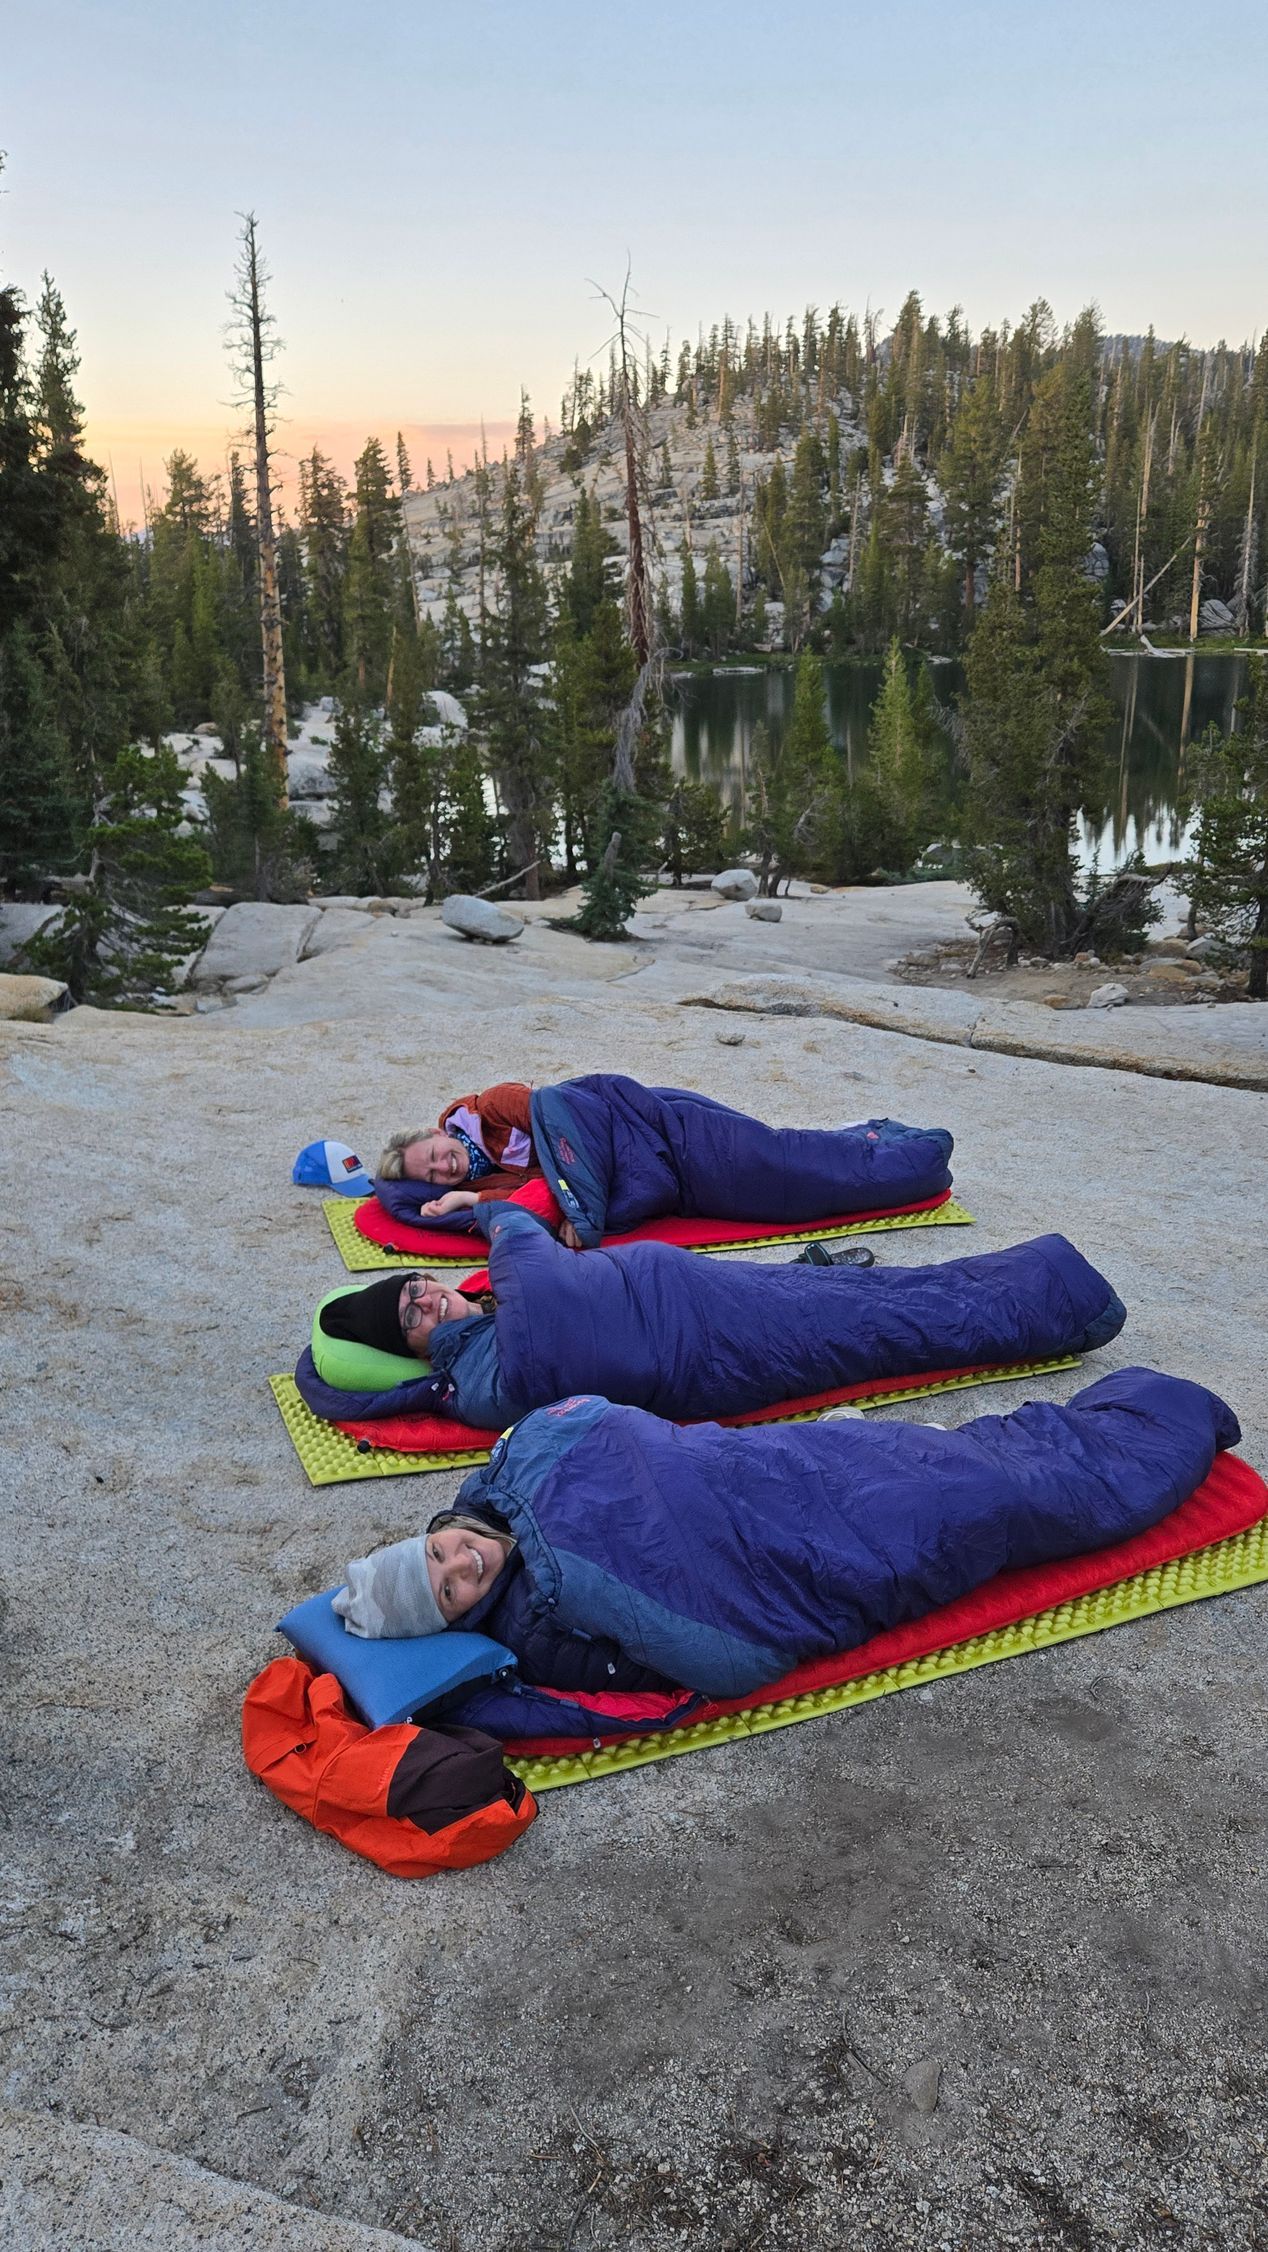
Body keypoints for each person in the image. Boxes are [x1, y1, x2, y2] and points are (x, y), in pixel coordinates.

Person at [332, 1367, 1241, 1699]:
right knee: (989, 1497)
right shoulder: (535, 1632)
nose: (462, 1563)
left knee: (920, 1456)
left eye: (439, 1553)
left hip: (769, 1470)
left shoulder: (493, 1489)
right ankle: (1166, 1415)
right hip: (796, 1544)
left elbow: (592, 1423)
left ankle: (1138, 1411)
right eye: (451, 1588)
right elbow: (709, 1654)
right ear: (458, 1620)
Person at [296, 1201, 1127, 1436]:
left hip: (704, 1294)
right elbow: (550, 1299)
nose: (427, 1297)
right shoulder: (476, 1379)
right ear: (410, 1350)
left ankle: (1043, 1275)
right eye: (411, 1313)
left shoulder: (481, 1318)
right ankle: (1069, 1303)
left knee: (883, 1297)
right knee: (892, 1325)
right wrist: (491, 1212)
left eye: (417, 1286)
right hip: (711, 1346)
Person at [373, 1072, 956, 1248]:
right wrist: (474, 1198)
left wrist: (583, 1212)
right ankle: (875, 1138)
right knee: (788, 1187)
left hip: (664, 1128)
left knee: (785, 1162)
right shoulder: (490, 1174)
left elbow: (570, 1121)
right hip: (669, 1173)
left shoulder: (496, 1108)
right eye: (432, 1174)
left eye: (434, 1155)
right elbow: (543, 1193)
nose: (443, 1166)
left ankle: (918, 1153)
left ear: (435, 1131)